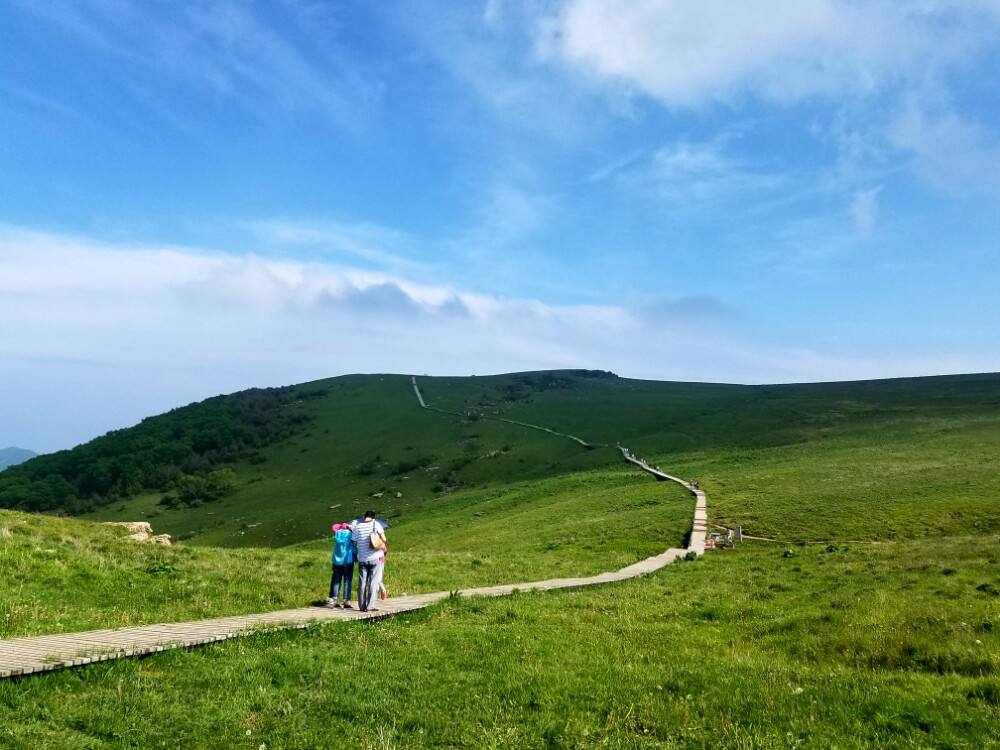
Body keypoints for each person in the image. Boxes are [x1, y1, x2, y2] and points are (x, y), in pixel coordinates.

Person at [351, 510, 386, 612]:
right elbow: (384, 539)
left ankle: (362, 607)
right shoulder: (376, 524)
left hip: (362, 559)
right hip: (375, 557)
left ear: (364, 516)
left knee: (362, 582)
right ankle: (370, 606)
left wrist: (361, 545)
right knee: (373, 582)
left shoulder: (357, 527)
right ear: (373, 517)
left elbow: (353, 542)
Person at [326, 522, 355, 609]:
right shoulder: (350, 535)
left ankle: (334, 600)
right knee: (347, 580)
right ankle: (346, 601)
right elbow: (354, 547)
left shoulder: (337, 535)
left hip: (336, 561)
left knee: (336, 580)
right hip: (348, 560)